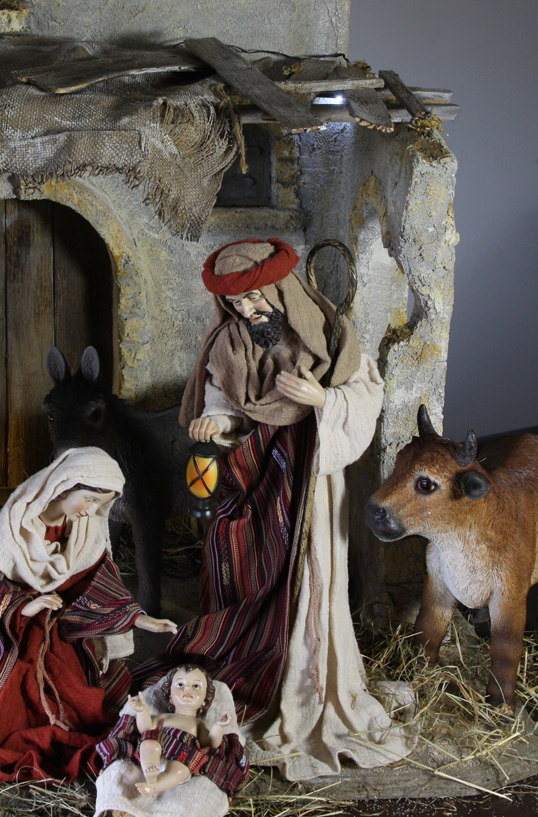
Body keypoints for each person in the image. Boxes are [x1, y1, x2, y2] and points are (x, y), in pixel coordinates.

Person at [145, 237, 415, 781]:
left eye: (254, 298)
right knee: (240, 553)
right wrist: (218, 421)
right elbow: (227, 403)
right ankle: (254, 655)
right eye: (236, 303)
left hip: (312, 468)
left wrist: (324, 400)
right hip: (256, 469)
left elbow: (366, 393)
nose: (248, 310)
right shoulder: (228, 343)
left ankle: (304, 675)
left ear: (281, 290)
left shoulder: (328, 332)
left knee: (307, 571)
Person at [0, 446, 177, 786]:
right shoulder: (17, 526)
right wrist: (25, 606)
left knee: (83, 704)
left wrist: (138, 618)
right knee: (6, 707)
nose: (91, 512)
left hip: (56, 633)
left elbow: (97, 577)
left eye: (100, 505)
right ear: (66, 485)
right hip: (13, 635)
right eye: (88, 500)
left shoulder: (85, 530)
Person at [97, 664, 248, 798]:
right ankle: (149, 768)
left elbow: (211, 743)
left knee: (181, 771)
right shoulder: (164, 717)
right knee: (148, 743)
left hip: (182, 756)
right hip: (157, 751)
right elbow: (145, 729)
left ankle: (154, 787)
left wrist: (219, 726)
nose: (187, 689)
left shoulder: (198, 724)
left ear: (204, 700)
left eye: (196, 686)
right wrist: (142, 711)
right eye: (180, 684)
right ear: (170, 697)